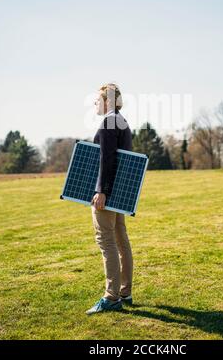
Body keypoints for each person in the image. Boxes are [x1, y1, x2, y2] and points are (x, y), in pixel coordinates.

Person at [86, 83, 134, 315]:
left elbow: (107, 158)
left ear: (107, 101)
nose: (95, 104)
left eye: (97, 100)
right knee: (121, 240)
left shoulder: (108, 121)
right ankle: (125, 292)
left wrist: (101, 190)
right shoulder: (121, 120)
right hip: (121, 193)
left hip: (108, 193)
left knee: (107, 242)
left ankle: (111, 296)